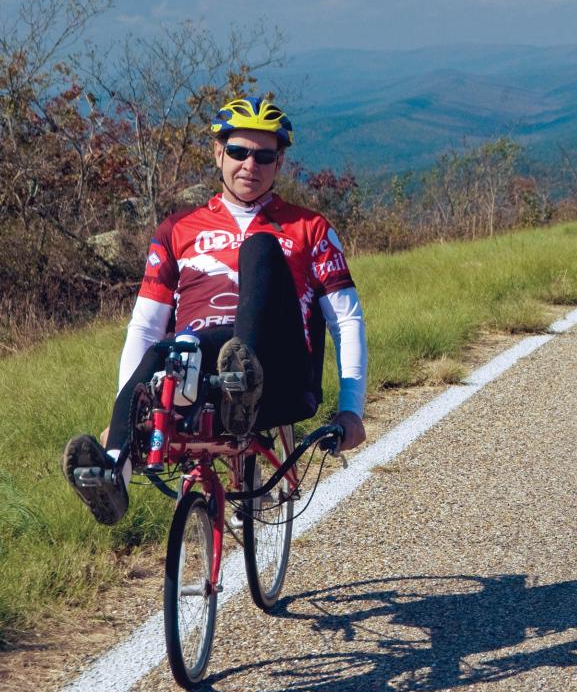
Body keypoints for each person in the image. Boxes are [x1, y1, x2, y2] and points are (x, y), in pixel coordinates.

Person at [62, 96, 368, 525]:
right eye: (239, 152)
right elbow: (146, 325)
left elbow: (345, 319)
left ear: (279, 163)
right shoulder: (177, 230)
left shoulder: (308, 228)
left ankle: (243, 385)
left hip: (277, 370)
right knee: (168, 349)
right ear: (218, 152)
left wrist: (351, 409)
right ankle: (115, 474)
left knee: (259, 248)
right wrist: (122, 414)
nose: (250, 165)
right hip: (196, 367)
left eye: (264, 156)